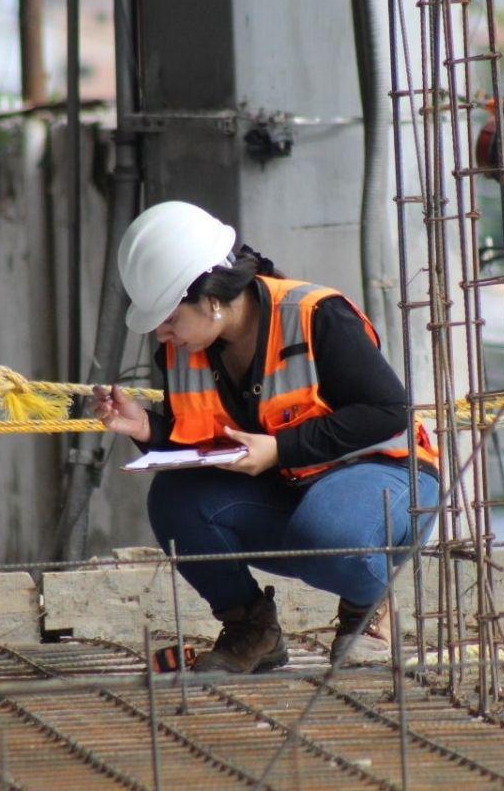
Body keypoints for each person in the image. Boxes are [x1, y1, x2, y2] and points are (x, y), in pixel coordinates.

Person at [93, 201, 440, 673]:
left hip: (389, 475)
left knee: (328, 534)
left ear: (211, 298)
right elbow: (198, 444)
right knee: (176, 500)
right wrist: (147, 429)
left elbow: (388, 411)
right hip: (294, 485)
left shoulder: (316, 315)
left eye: (170, 318)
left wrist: (281, 449)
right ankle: (252, 630)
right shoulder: (186, 351)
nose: (162, 334)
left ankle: (367, 608)